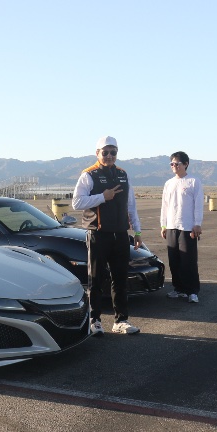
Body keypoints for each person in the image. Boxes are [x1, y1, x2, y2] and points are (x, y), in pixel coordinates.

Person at [72, 136, 142, 336]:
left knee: (120, 278)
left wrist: (137, 231)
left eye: (113, 152)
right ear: (97, 153)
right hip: (98, 234)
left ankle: (121, 320)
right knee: (96, 278)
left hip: (120, 234)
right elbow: (77, 203)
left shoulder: (122, 174)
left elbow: (131, 206)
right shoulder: (88, 175)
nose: (110, 156)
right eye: (105, 152)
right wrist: (103, 197)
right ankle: (95, 320)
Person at [160, 151, 203, 303]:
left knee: (188, 260)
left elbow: (198, 205)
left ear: (185, 164)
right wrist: (163, 225)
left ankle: (192, 291)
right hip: (172, 225)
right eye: (172, 164)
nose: (174, 166)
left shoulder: (193, 182)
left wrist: (197, 224)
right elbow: (165, 206)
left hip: (187, 226)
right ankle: (178, 289)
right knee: (174, 260)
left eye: (177, 163)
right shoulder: (169, 183)